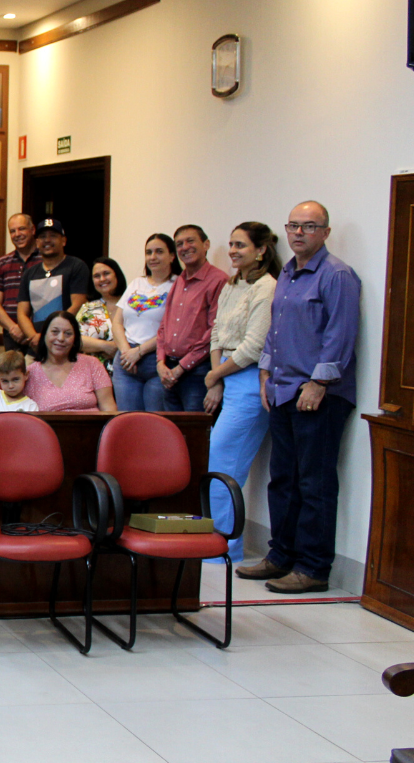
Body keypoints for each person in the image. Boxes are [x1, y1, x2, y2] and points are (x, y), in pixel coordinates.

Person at [240, 202, 359, 594]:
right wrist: (266, 375)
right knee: (284, 480)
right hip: (283, 390)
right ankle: (280, 556)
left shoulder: (337, 275)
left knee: (315, 484)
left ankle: (313, 567)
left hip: (318, 396)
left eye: (309, 226)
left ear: (325, 232)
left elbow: (339, 335)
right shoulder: (288, 274)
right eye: (293, 225)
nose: (299, 232)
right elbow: (276, 331)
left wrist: (319, 383)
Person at [198, 222, 280, 563]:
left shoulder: (268, 287)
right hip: (226, 374)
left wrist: (215, 373)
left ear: (260, 250)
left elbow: (254, 346)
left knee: (223, 461)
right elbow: (217, 332)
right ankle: (218, 544)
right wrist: (215, 380)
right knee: (216, 460)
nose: (232, 251)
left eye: (240, 245)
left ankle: (223, 549)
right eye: (230, 244)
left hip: (248, 379)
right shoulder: (232, 285)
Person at [154, 224, 228, 412]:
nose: (184, 247)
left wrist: (181, 368)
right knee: (171, 434)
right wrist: (160, 362)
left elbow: (214, 331)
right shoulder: (179, 280)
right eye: (179, 244)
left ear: (206, 244)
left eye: (190, 241)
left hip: (197, 372)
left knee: (194, 437)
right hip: (169, 370)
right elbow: (164, 325)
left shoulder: (218, 280)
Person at [111, 234, 179, 411]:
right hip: (126, 361)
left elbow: (172, 330)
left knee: (154, 424)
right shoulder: (136, 283)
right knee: (127, 421)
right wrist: (127, 352)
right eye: (148, 252)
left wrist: (139, 352)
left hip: (157, 360)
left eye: (159, 252)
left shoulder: (178, 285)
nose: (152, 257)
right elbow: (117, 322)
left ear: (172, 256)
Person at [15, 218, 90, 346]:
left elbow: (78, 304)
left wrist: (50, 334)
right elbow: (22, 312)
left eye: (53, 236)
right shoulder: (29, 273)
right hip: (36, 346)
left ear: (64, 240)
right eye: (43, 237)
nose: (47, 240)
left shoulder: (76, 266)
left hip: (65, 343)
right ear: (37, 243)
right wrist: (34, 337)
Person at [25, 312, 116, 413]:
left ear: (75, 339)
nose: (61, 338)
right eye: (55, 332)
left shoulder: (92, 364)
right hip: (47, 428)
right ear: (44, 335)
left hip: (91, 427)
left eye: (68, 333)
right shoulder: (30, 372)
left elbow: (108, 408)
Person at [0, 214, 40, 350]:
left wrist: (28, 330)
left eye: (22, 229)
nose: (17, 234)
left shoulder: (45, 260)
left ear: (33, 230)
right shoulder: (2, 263)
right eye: (12, 231)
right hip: (12, 335)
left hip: (40, 334)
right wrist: (13, 328)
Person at [77, 257, 125, 372]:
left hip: (129, 373)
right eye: (97, 276)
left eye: (106, 273)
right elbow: (75, 339)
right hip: (95, 374)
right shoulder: (88, 308)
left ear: (116, 275)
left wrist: (119, 349)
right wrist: (105, 346)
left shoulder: (131, 303)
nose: (102, 279)